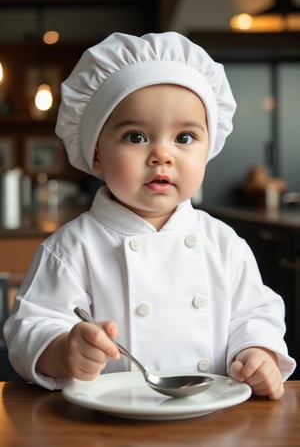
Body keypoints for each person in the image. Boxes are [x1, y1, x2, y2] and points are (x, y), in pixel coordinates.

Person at [4, 32, 295, 399]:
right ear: (95, 153)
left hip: (212, 418)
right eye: (136, 137)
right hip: (104, 425)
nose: (162, 154)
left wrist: (257, 353)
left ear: (209, 148)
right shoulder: (71, 248)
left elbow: (254, 314)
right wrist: (62, 350)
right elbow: (30, 327)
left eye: (185, 138)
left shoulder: (224, 244)